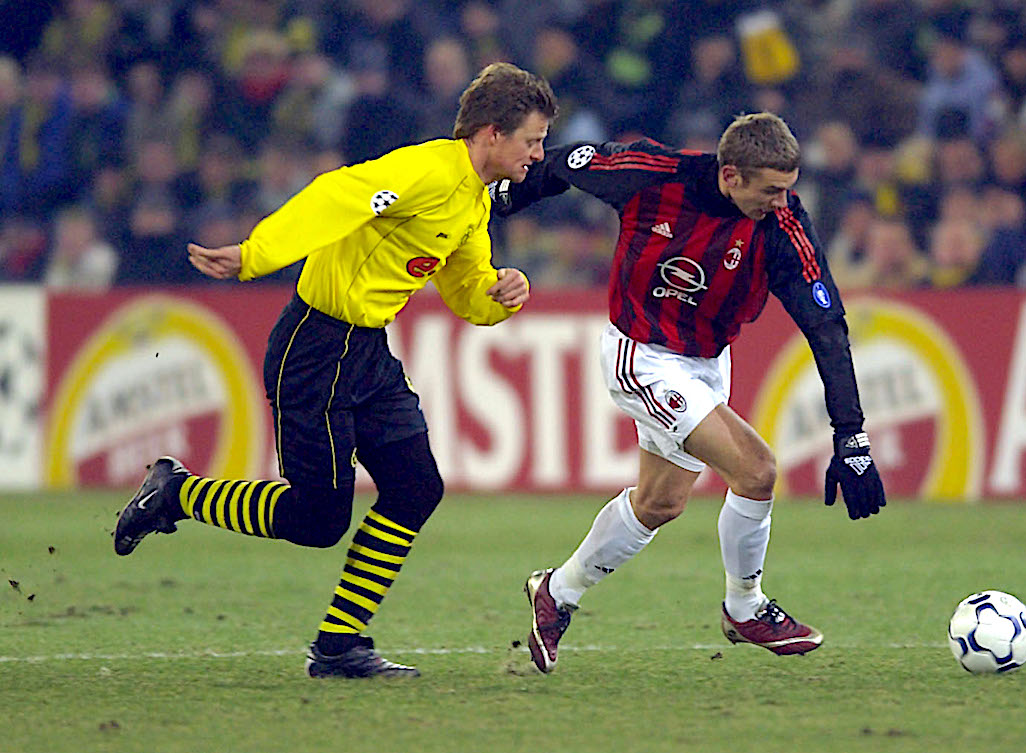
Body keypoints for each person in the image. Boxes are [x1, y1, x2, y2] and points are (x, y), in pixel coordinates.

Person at [112, 63, 558, 679]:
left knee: (415, 487)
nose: (539, 153)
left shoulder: (472, 199)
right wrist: (254, 254)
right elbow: (335, 196)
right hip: (315, 348)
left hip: (366, 352)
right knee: (318, 520)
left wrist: (502, 293)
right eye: (531, 139)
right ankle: (178, 493)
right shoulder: (427, 171)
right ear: (490, 134)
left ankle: (339, 647)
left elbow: (466, 287)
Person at [491, 113, 887, 674]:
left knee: (660, 503)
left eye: (789, 190)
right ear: (730, 175)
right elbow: (564, 163)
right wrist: (504, 199)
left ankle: (556, 592)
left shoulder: (781, 228)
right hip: (642, 355)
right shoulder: (652, 175)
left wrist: (852, 435)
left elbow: (826, 328)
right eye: (771, 190)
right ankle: (744, 609)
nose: (782, 202)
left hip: (706, 360)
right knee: (756, 470)